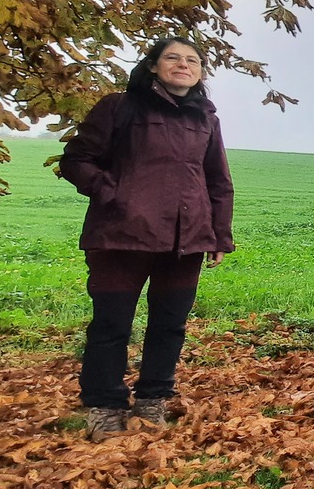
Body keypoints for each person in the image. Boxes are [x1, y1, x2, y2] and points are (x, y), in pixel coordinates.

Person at [59, 37, 235, 442]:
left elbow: (218, 181)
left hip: (184, 238)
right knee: (111, 323)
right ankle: (104, 405)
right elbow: (76, 159)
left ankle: (153, 397)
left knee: (170, 324)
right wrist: (113, 193)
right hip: (121, 234)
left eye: (192, 60)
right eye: (172, 57)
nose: (183, 65)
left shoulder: (205, 118)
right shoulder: (119, 107)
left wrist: (218, 236)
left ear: (201, 73)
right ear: (153, 66)